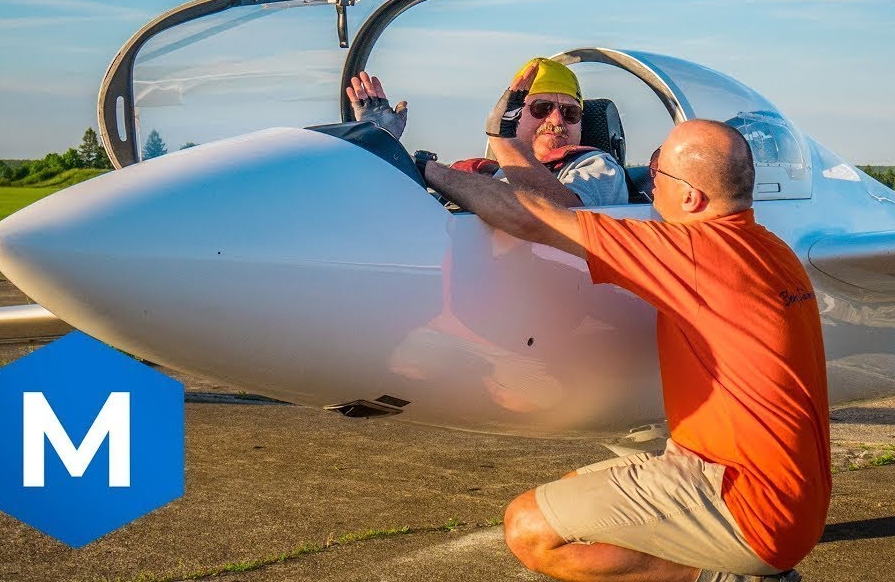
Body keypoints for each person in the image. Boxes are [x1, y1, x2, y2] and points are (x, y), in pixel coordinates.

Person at [419, 86, 831, 581]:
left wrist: (427, 168)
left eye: (658, 174)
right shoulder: (769, 248)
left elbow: (529, 218)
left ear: (691, 197)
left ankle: (728, 578)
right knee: (573, 498)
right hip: (789, 495)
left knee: (529, 528)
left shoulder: (694, 253)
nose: (649, 183)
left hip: (747, 507)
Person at [346, 58, 628, 207]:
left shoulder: (597, 168)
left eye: (570, 113)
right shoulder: (487, 174)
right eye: (541, 108)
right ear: (514, 114)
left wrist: (502, 139)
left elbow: (567, 218)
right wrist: (383, 145)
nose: (557, 120)